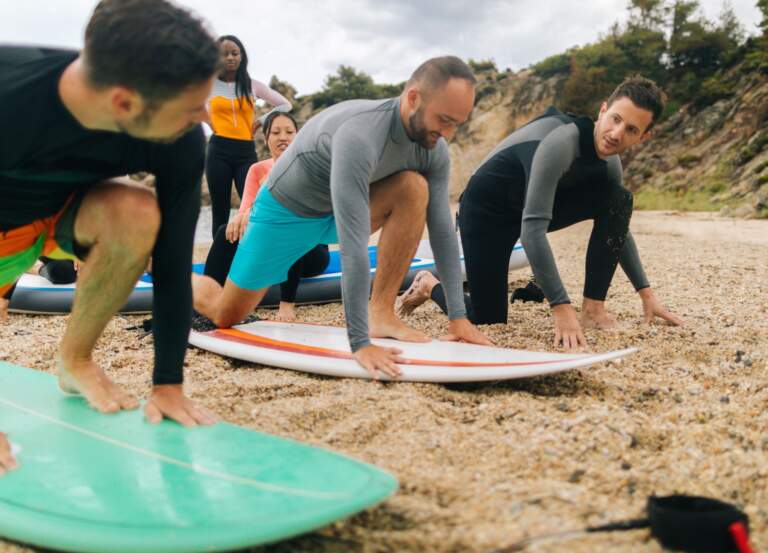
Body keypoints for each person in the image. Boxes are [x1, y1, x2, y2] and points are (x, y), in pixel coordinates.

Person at [0, 0, 221, 476]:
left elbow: (171, 261)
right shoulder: (9, 92)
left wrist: (168, 384)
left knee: (136, 211)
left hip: (59, 219)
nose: (205, 116)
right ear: (124, 102)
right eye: (191, 107)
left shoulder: (180, 139)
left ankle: (74, 359)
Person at [193, 56, 492, 379]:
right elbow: (353, 246)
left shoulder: (433, 148)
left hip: (336, 212)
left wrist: (458, 319)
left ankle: (381, 313)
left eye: (456, 124)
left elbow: (443, 231)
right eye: (444, 119)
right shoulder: (360, 134)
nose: (447, 133)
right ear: (413, 98)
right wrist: (359, 343)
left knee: (413, 188)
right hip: (284, 214)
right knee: (226, 314)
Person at [396, 76, 684, 348]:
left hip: (526, 208)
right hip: (486, 214)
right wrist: (560, 306)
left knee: (618, 199)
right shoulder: (560, 143)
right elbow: (531, 231)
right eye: (616, 119)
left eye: (631, 130)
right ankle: (427, 284)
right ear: (603, 110)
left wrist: (646, 294)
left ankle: (594, 310)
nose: (617, 133)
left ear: (644, 137)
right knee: (488, 319)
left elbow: (618, 228)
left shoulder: (610, 164)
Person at [203, 111, 329, 322]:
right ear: (266, 138)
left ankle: (287, 304)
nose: (283, 137)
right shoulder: (257, 169)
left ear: (297, 136)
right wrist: (242, 217)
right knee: (225, 231)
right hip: (272, 246)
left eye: (289, 132)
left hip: (311, 251)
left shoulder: (310, 168)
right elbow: (245, 210)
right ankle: (207, 301)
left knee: (289, 228)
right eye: (276, 132)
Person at [206, 35, 292, 239]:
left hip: (245, 151)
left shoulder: (253, 85)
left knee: (254, 204)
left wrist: (261, 120)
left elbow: (285, 105)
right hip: (218, 150)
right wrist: (208, 121)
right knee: (220, 208)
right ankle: (221, 254)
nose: (230, 58)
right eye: (224, 54)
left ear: (241, 56)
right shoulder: (207, 85)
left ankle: (253, 248)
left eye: (234, 53)